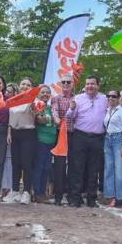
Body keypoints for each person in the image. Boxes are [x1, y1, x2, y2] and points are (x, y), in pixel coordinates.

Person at [65, 75, 108, 208]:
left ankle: (91, 199)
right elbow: (68, 117)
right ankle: (75, 198)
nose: (90, 86)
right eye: (88, 84)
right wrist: (71, 108)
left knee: (94, 170)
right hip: (80, 136)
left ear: (98, 85)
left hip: (97, 138)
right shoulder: (78, 98)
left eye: (93, 84)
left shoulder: (104, 99)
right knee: (77, 168)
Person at [6, 77, 37, 204]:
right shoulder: (14, 100)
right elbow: (10, 118)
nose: (25, 86)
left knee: (27, 164)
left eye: (28, 84)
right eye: (23, 84)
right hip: (14, 133)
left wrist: (35, 106)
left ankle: (27, 192)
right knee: (16, 163)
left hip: (28, 133)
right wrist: (9, 132)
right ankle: (14, 191)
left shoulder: (33, 101)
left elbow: (37, 113)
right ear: (19, 86)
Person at [103, 89, 122, 210]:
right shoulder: (107, 110)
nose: (110, 98)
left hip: (119, 139)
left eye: (113, 96)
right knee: (109, 169)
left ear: (119, 98)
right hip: (107, 139)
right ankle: (112, 196)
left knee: (120, 170)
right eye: (108, 96)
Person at [50, 74, 75, 206]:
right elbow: (54, 111)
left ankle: (71, 195)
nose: (65, 84)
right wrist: (57, 119)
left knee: (73, 166)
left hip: (75, 135)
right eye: (63, 82)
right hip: (60, 134)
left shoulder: (78, 99)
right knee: (59, 166)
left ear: (72, 84)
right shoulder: (56, 98)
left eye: (68, 82)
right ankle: (58, 195)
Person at [33, 85, 56, 203]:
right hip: (40, 140)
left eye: (47, 92)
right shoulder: (37, 106)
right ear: (38, 94)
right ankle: (37, 193)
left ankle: (42, 192)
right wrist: (42, 115)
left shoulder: (51, 107)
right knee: (39, 167)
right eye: (42, 92)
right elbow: (38, 120)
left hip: (52, 141)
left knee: (47, 168)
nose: (45, 94)